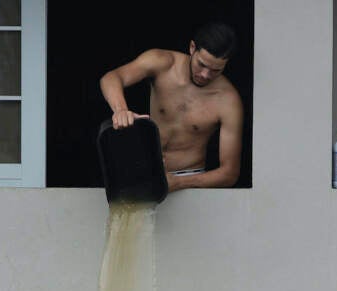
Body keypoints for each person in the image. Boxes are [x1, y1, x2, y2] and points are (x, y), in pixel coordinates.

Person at [99, 22, 243, 193]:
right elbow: (111, 78)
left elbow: (229, 173)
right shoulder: (162, 62)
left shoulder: (228, 101)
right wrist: (120, 110)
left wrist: (180, 183)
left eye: (215, 70)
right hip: (145, 170)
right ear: (192, 48)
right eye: (202, 64)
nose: (205, 75)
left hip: (189, 178)